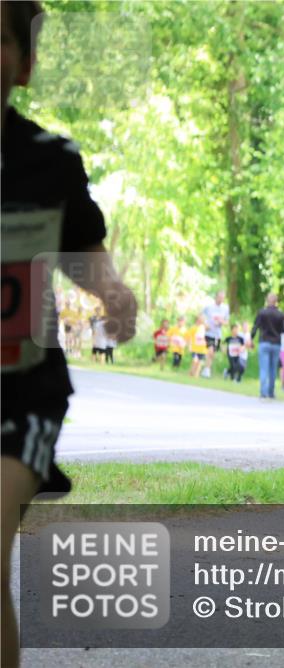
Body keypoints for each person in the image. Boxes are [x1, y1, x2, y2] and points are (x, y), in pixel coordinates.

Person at [2, 3, 139, 663]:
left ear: (23, 63)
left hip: (19, 390)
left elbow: (85, 255)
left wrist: (114, 295)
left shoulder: (47, 161)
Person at [251, 292, 284, 399]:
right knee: (273, 369)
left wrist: (251, 339)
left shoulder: (262, 312)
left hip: (264, 342)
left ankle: (263, 392)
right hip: (276, 343)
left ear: (267, 300)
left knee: (264, 368)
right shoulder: (281, 314)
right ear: (276, 301)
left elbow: (255, 327)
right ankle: (271, 392)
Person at [202, 290, 229, 378]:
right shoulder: (209, 307)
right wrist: (205, 324)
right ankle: (207, 370)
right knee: (210, 350)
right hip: (208, 332)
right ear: (216, 297)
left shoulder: (225, 308)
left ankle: (206, 367)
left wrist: (222, 322)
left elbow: (227, 322)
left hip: (217, 334)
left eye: (223, 298)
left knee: (212, 353)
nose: (221, 299)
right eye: (219, 297)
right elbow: (201, 316)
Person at [187, 314, 208, 378]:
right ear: (197, 320)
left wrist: (204, 322)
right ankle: (191, 373)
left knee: (200, 362)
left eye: (202, 319)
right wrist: (189, 346)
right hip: (194, 348)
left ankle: (196, 374)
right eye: (199, 319)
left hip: (202, 348)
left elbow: (208, 327)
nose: (201, 320)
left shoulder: (203, 327)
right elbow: (189, 337)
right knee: (195, 360)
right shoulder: (193, 328)